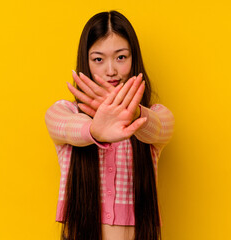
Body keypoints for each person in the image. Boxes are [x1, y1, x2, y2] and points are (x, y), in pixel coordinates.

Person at [45, 10, 174, 240]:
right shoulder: (65, 111)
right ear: (86, 62)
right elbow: (62, 126)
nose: (111, 70)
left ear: (135, 60)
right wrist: (94, 130)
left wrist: (131, 113)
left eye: (121, 57)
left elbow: (161, 127)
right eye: (98, 59)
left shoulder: (153, 116)